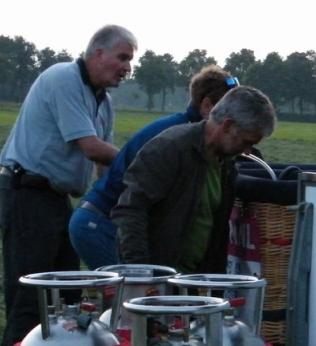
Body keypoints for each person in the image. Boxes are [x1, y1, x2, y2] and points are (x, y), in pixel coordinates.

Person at [0, 24, 137, 346]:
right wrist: (143, 162)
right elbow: (91, 147)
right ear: (97, 53)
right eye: (122, 57)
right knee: (33, 294)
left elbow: (103, 166)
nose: (127, 67)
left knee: (68, 294)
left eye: (130, 60)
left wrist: (117, 207)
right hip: (27, 194)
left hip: (56, 200)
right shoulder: (64, 79)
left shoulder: (104, 102)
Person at [69, 65, 259, 270]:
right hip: (102, 222)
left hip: (114, 221)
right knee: (130, 285)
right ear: (206, 106)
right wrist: (141, 273)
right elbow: (133, 206)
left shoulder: (202, 143)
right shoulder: (176, 138)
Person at [111, 86, 276, 274]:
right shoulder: (169, 148)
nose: (247, 151)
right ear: (228, 126)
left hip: (194, 282)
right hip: (157, 280)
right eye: (246, 142)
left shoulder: (227, 166)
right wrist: (141, 273)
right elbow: (131, 211)